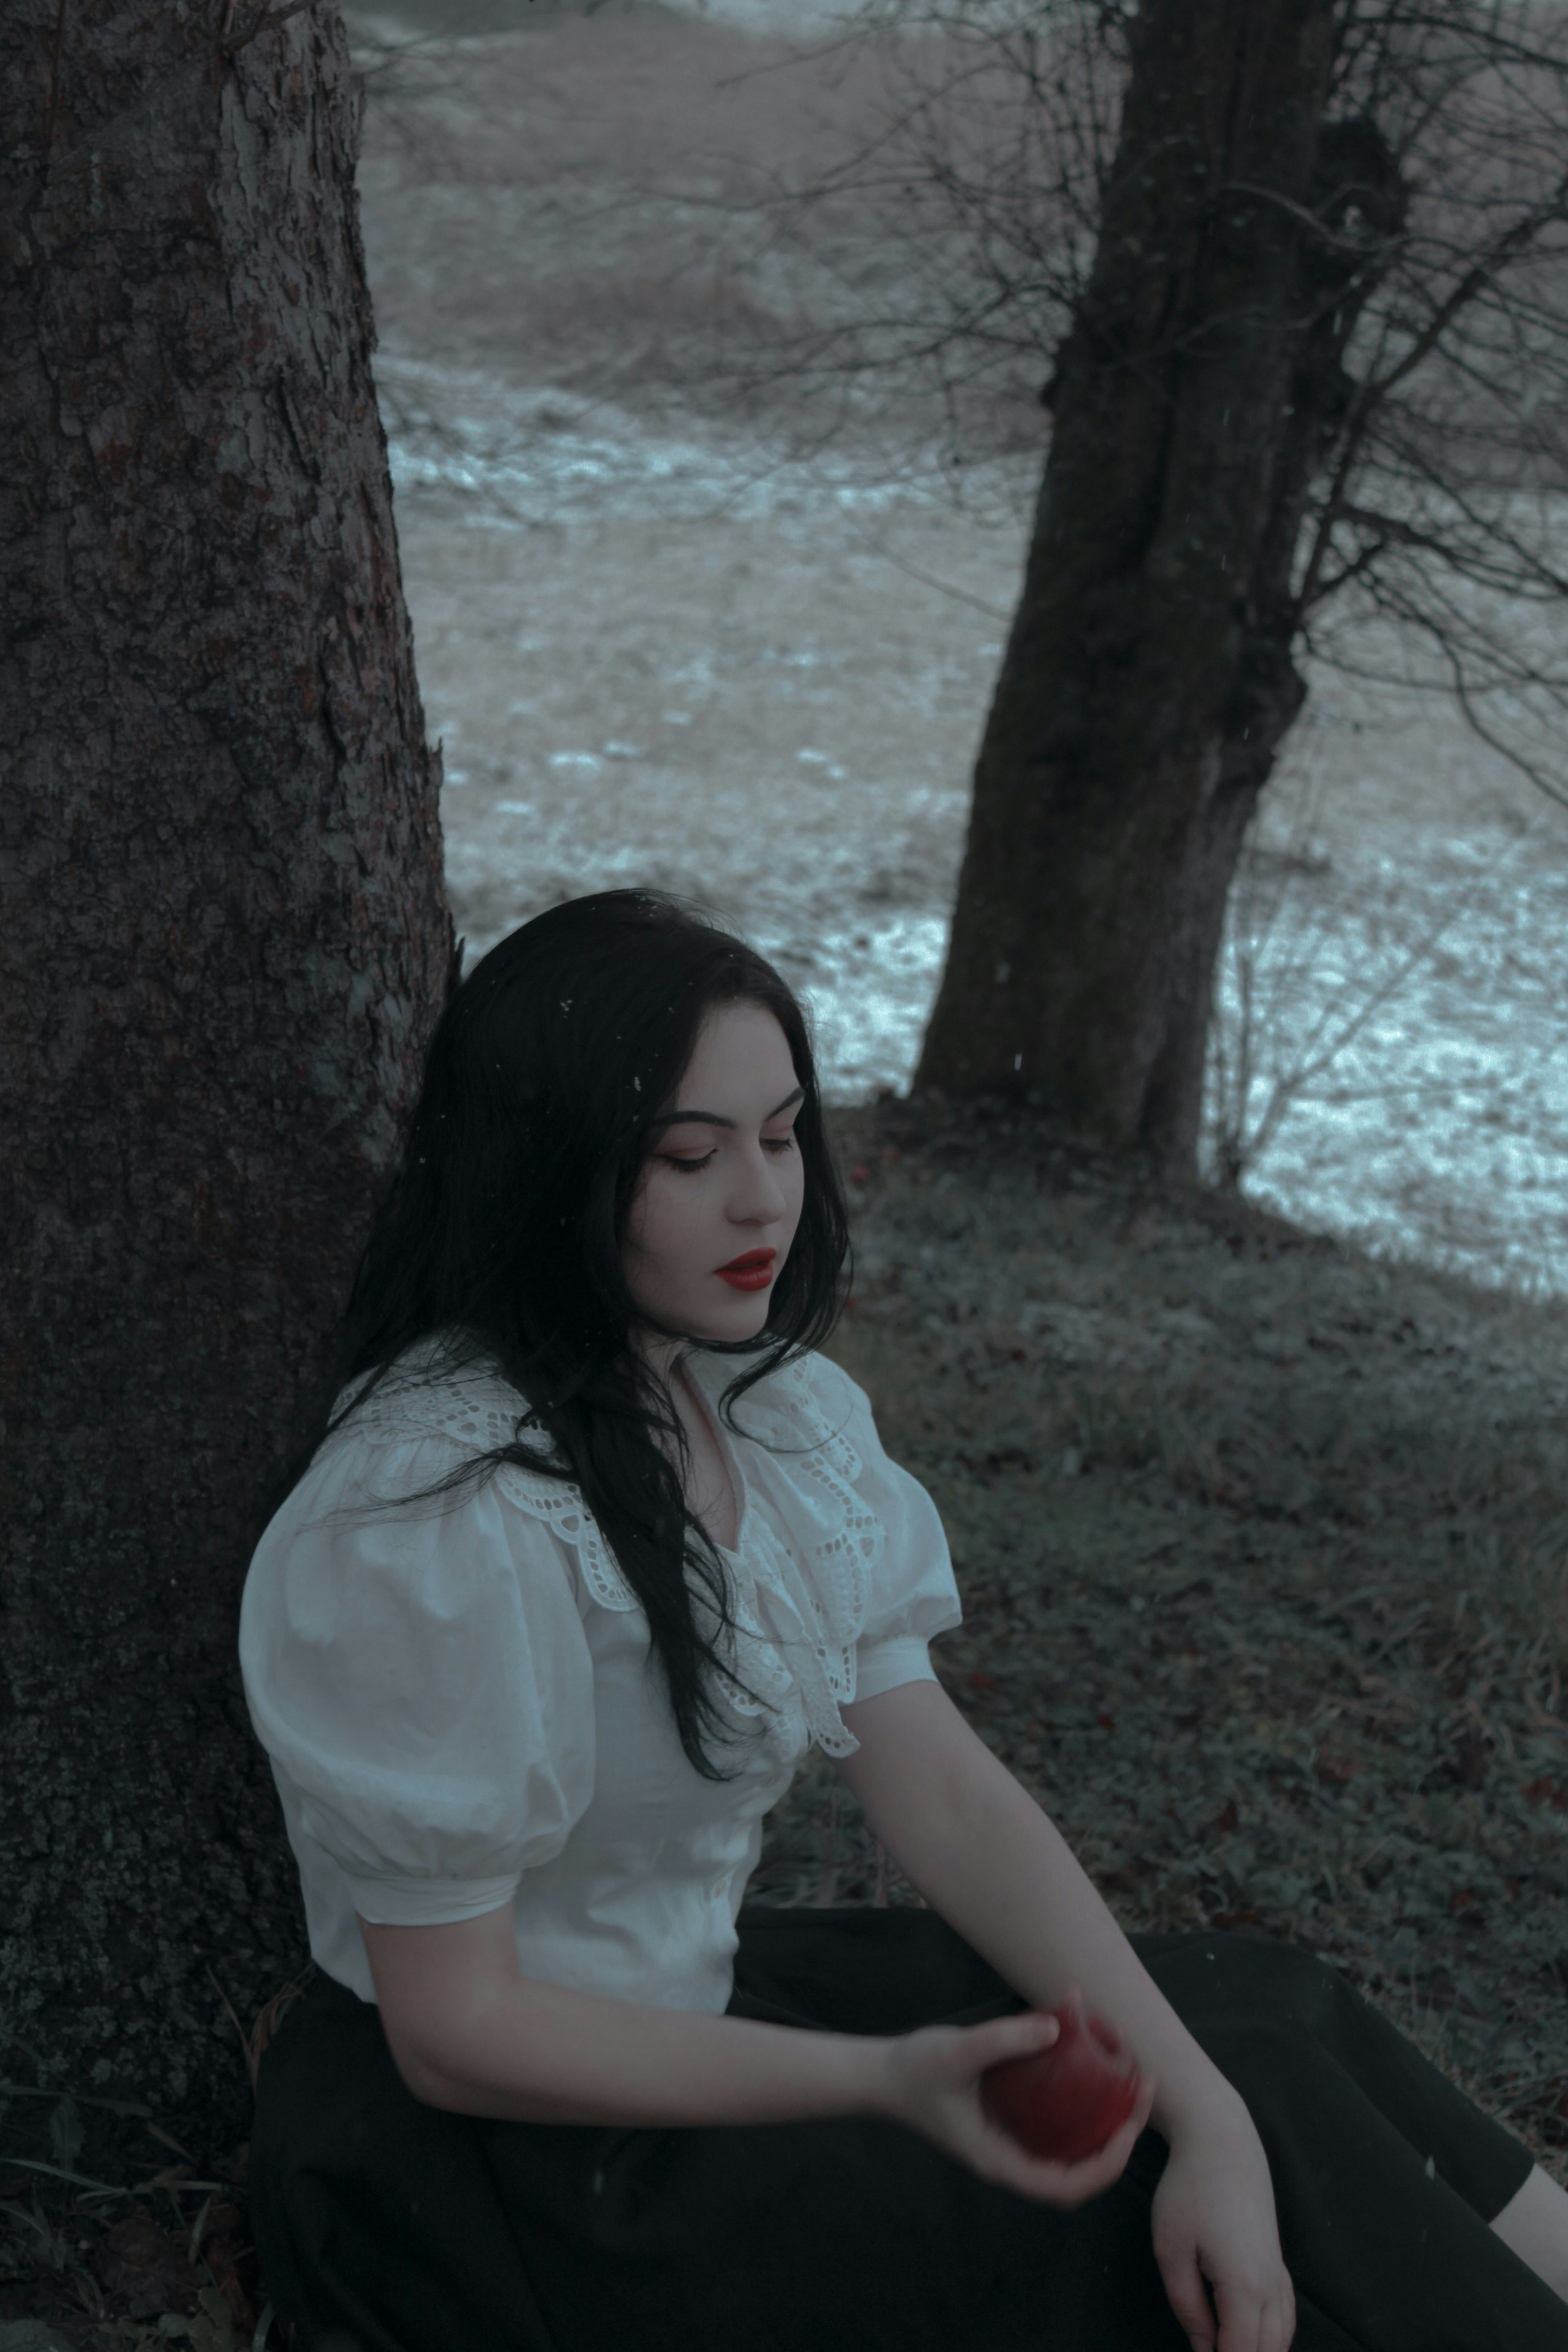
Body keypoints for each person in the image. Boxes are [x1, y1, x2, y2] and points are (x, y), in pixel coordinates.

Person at [240, 890, 1568, 2352]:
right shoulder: (431, 1517)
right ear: (546, 1167)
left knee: (1261, 2028)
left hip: (705, 2020)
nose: (764, 1199)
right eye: (691, 1155)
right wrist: (897, 2084)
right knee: (1113, 2210)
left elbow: (942, 1793)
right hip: (523, 2181)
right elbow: (456, 2035)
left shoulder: (757, 1410)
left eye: (782, 1132)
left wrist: (1215, 2118)